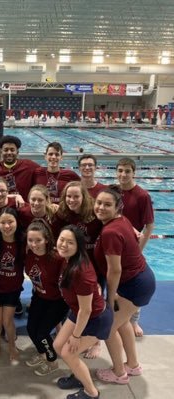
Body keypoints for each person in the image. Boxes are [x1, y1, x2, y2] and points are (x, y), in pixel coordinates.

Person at [93, 186, 156, 385]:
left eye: (107, 205)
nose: (101, 207)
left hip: (133, 284)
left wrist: (110, 298)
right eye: (99, 203)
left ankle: (119, 373)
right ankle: (133, 365)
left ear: (118, 207)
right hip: (141, 278)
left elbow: (115, 270)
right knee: (124, 323)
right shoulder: (122, 220)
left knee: (108, 328)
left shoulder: (110, 232)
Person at [53, 225, 113, 399]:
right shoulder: (69, 259)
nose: (63, 245)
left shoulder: (81, 272)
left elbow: (86, 310)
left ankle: (91, 392)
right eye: (61, 240)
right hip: (79, 311)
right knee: (58, 346)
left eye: (70, 242)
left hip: (95, 318)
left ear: (78, 246)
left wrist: (77, 335)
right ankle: (79, 375)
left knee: (68, 352)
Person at [116, 157, 154, 337]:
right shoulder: (114, 192)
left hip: (133, 248)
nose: (123, 175)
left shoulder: (142, 195)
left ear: (134, 173)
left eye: (127, 171)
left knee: (135, 282)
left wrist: (139, 249)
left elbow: (149, 226)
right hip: (116, 246)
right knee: (118, 280)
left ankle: (134, 321)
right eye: (120, 171)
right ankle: (122, 313)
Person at [24, 221, 69, 376]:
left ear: (47, 240)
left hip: (58, 302)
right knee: (31, 329)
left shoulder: (58, 258)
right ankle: (42, 353)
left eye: (38, 240)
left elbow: (70, 282)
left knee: (42, 333)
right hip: (39, 297)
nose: (34, 244)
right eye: (30, 240)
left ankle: (52, 361)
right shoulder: (29, 254)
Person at [0, 207, 24, 361]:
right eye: (3, 222)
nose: (7, 226)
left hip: (12, 286)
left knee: (8, 319)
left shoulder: (23, 239)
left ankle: (12, 346)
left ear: (17, 222)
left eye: (10, 222)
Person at [0, 135, 39, 199]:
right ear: (1, 151)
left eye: (12, 150)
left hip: (22, 207)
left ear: (17, 152)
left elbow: (46, 173)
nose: (9, 152)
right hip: (0, 207)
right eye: (6, 150)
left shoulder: (29, 166)